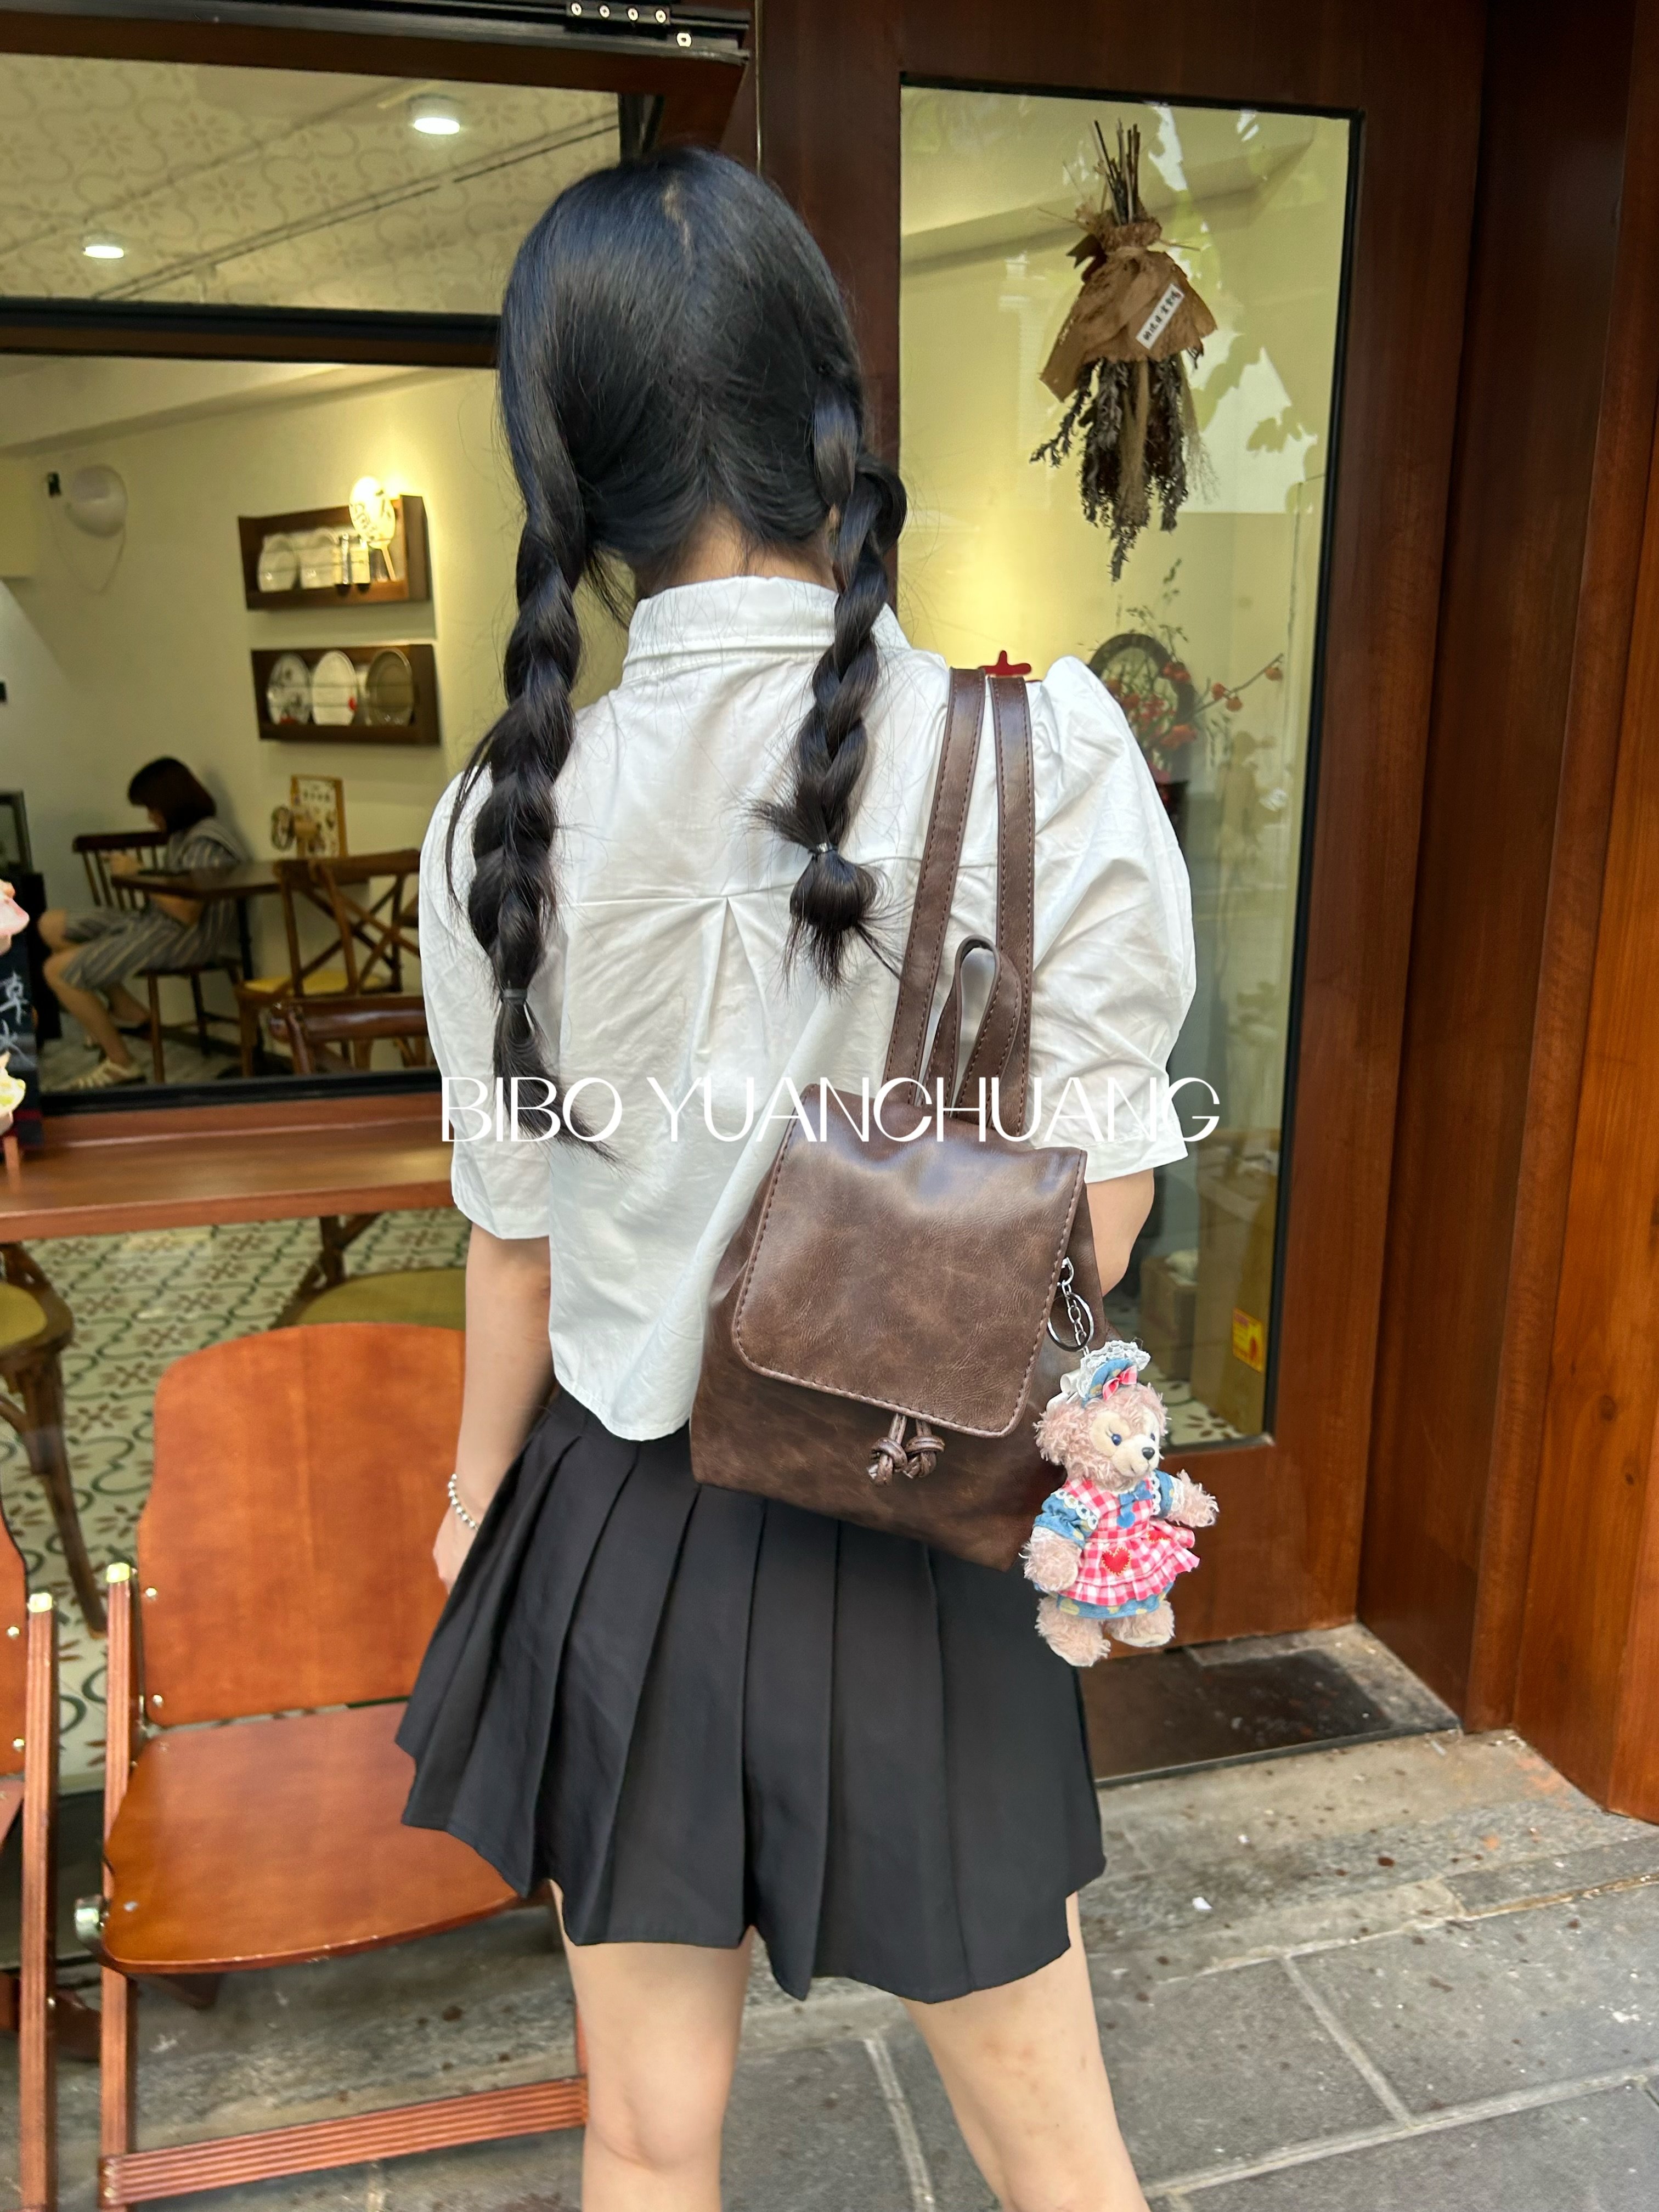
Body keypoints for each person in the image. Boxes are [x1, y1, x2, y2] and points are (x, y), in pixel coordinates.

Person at [400, 148, 1195, 2212]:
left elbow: (516, 1241)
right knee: (1052, 2142)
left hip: (616, 1534)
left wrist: (477, 1508)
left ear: (568, 470)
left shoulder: (498, 818)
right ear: (827, 413)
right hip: (915, 1523)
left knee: (646, 2134)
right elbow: (1094, 1223)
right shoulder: (1052, 754)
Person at [39, 757, 243, 1091]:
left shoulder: (206, 844)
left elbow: (188, 912)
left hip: (186, 937)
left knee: (56, 972)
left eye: (152, 809)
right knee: (52, 924)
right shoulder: (183, 835)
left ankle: (121, 1063)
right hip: (156, 921)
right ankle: (126, 1008)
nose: (150, 817)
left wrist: (141, 875)